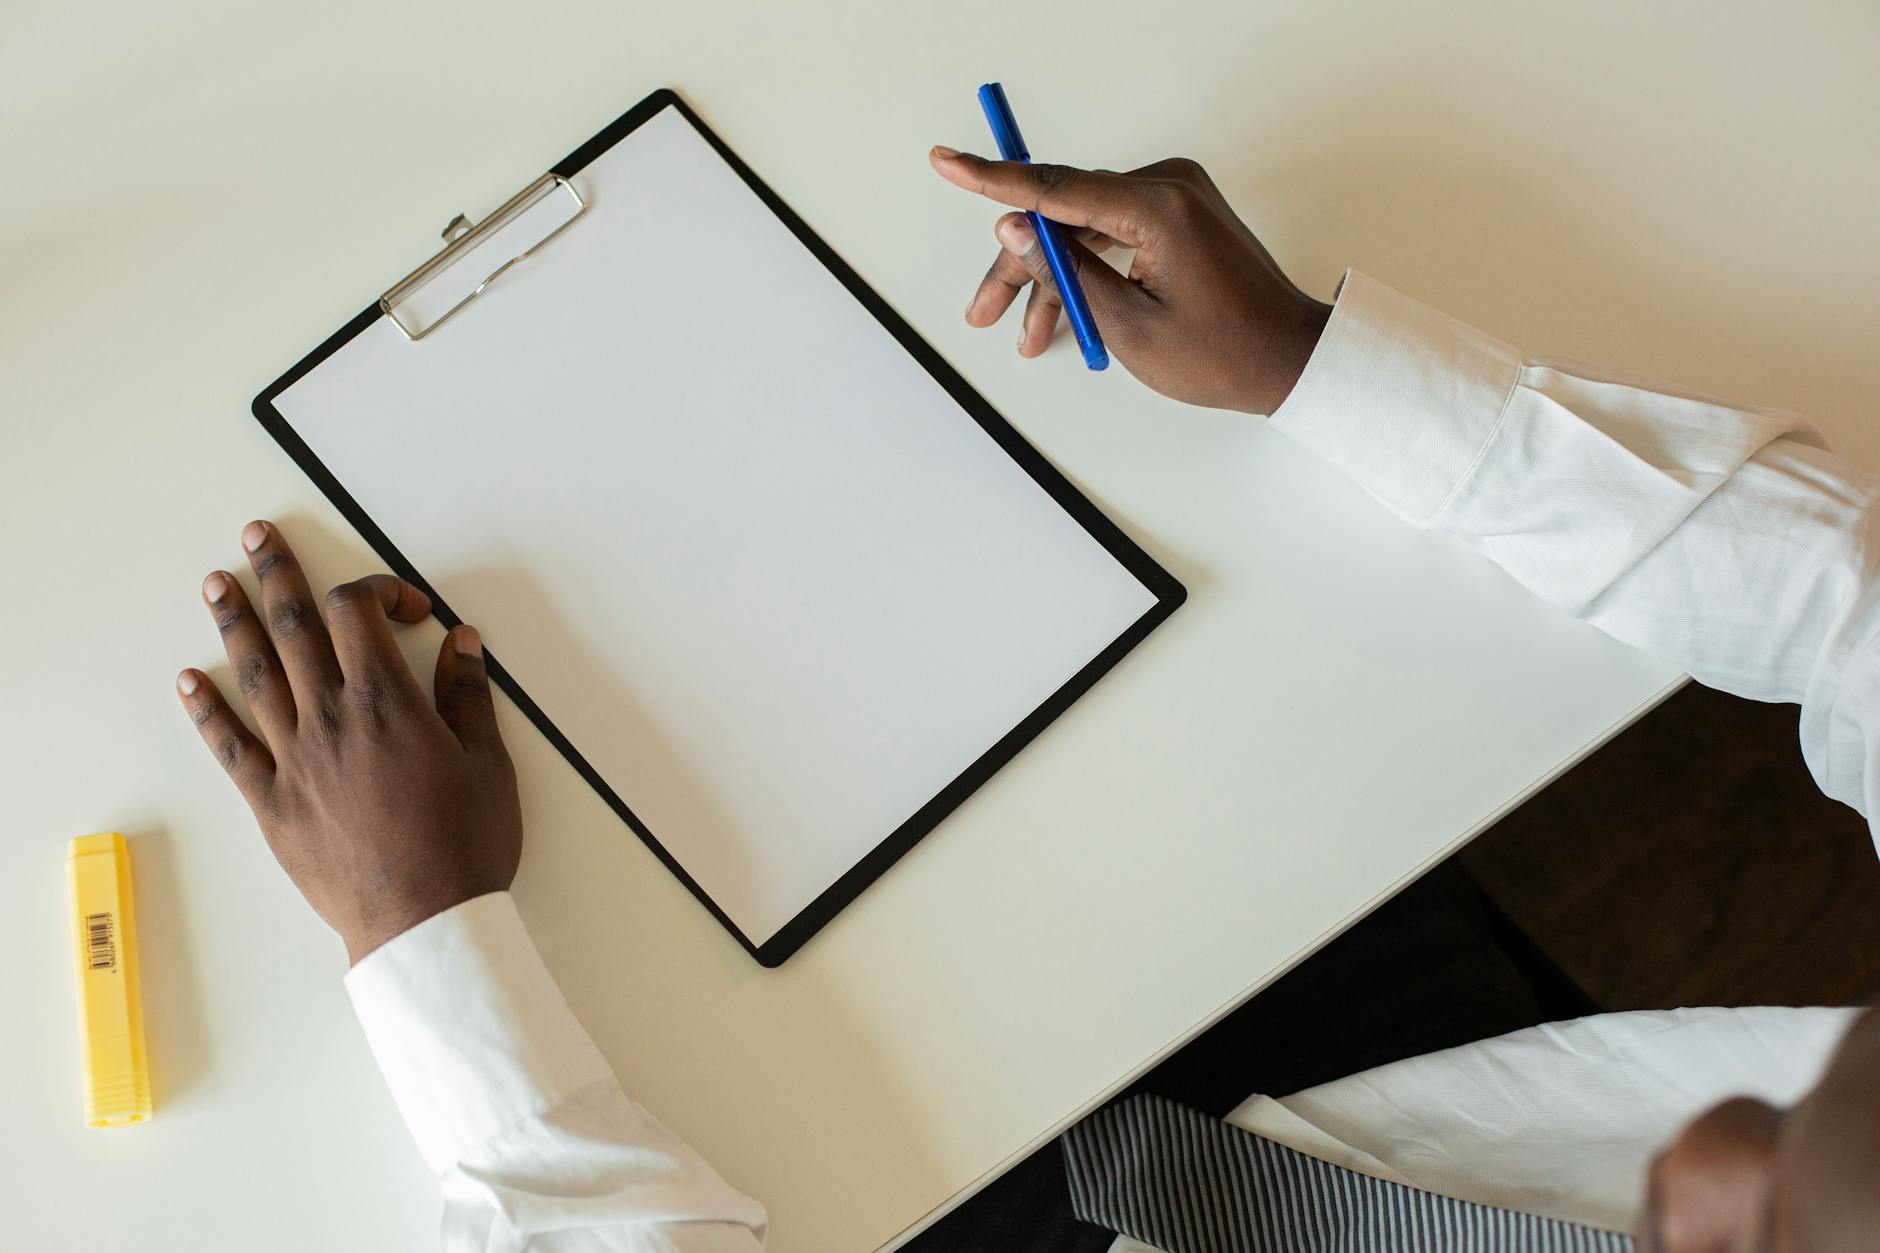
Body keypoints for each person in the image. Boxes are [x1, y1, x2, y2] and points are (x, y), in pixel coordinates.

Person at [173, 145, 1880, 1253]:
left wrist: (421, 930)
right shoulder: (1717, 1152)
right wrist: (1323, 363)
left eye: (1752, 1239)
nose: (1726, 1129)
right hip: (1430, 1096)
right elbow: (1854, 606)